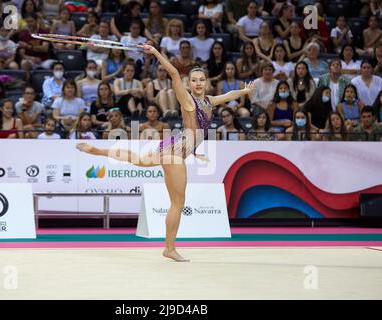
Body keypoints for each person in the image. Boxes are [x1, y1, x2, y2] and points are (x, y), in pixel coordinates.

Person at [76, 44, 256, 262]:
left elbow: (228, 95)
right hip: (175, 152)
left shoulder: (208, 101)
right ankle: (169, 248)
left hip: (176, 147)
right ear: (189, 83)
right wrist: (155, 52)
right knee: (177, 203)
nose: (198, 83)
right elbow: (172, 72)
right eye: (194, 80)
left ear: (206, 82)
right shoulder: (187, 99)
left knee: (141, 161)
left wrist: (244, 92)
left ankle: (97, 150)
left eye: (201, 80)